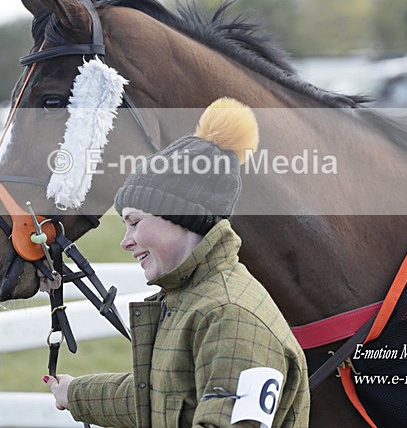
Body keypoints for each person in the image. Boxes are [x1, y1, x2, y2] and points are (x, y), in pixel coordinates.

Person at [44, 98, 310, 427]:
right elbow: (160, 398)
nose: (125, 241)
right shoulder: (193, 300)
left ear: (181, 218)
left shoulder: (230, 317)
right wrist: (75, 394)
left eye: (135, 222)